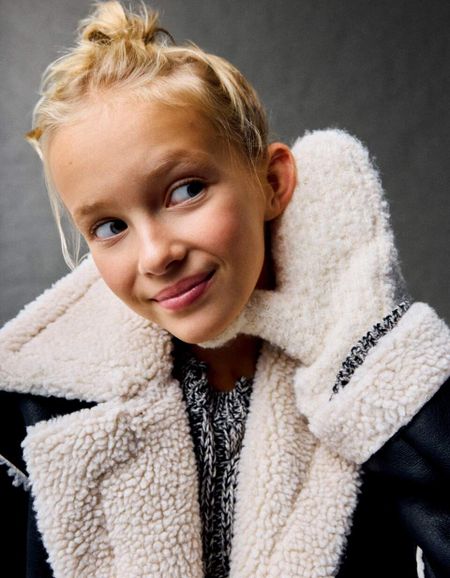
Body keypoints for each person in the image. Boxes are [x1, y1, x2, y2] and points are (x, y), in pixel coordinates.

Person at [1, 2, 449, 577]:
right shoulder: (43, 413)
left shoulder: (370, 376)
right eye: (109, 227)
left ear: (271, 183)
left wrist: (365, 357)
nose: (156, 254)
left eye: (186, 191)